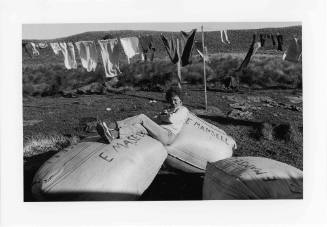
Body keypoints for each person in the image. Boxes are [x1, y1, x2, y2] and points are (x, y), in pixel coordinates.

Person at [96, 87, 189, 145]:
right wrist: (160, 116)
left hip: (167, 135)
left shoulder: (183, 110)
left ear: (181, 100)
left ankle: (112, 125)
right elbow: (156, 120)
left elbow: (171, 119)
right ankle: (113, 135)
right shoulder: (170, 109)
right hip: (160, 131)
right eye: (171, 100)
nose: (173, 102)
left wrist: (163, 116)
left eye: (176, 100)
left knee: (142, 117)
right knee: (139, 127)